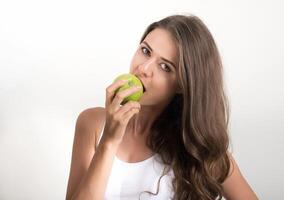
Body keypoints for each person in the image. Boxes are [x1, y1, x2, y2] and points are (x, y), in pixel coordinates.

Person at [66, 14, 259, 200]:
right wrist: (109, 140)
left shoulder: (198, 148)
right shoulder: (91, 123)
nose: (143, 69)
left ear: (182, 86)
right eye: (145, 51)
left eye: (165, 67)